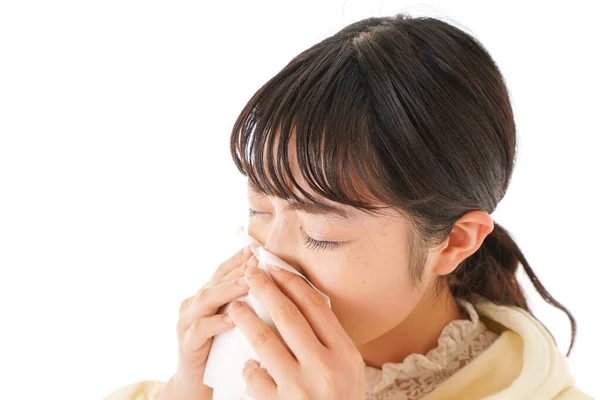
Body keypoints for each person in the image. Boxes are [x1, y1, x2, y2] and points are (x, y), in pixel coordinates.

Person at [104, 13, 592, 400]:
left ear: (455, 241)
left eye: (322, 234)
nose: (266, 262)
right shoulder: (223, 379)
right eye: (260, 210)